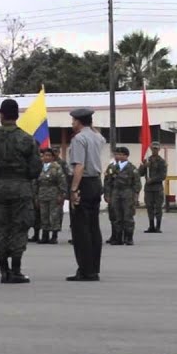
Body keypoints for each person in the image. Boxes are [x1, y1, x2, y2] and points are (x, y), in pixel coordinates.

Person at [0, 99, 42, 283]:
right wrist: (23, 176)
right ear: (16, 115)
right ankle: (16, 270)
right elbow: (36, 168)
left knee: (0, 228)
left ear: (2, 115)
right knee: (19, 228)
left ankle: (3, 270)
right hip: (21, 188)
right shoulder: (27, 139)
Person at [66, 109, 106, 281]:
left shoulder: (79, 139)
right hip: (96, 182)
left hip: (84, 183)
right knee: (93, 227)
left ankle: (85, 270)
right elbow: (98, 134)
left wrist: (74, 189)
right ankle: (94, 268)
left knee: (81, 229)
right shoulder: (98, 137)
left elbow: (79, 166)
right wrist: (90, 125)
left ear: (79, 122)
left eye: (73, 121)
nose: (72, 124)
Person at [106, 147, 142, 246]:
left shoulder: (132, 168)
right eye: (117, 154)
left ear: (126, 156)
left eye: (121, 155)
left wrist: (135, 196)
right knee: (117, 216)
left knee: (128, 216)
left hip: (127, 192)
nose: (119, 156)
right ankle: (118, 238)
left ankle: (128, 238)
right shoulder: (113, 167)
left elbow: (137, 183)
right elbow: (108, 182)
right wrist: (108, 194)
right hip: (115, 192)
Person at [35, 148, 66, 244]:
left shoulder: (56, 167)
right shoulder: (39, 167)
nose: (47, 157)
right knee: (43, 215)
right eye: (45, 155)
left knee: (54, 215)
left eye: (49, 155)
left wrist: (61, 194)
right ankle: (45, 236)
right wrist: (36, 196)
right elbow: (35, 183)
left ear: (52, 157)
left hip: (54, 194)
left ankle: (54, 236)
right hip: (42, 194)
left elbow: (62, 181)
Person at [141, 141, 168, 233]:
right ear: (150, 149)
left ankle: (158, 226)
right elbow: (139, 173)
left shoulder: (162, 162)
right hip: (148, 189)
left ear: (159, 149)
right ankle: (151, 226)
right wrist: (144, 166)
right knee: (149, 207)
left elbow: (163, 176)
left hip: (157, 188)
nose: (154, 150)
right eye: (153, 148)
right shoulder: (147, 160)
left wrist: (152, 180)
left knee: (158, 208)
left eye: (156, 149)